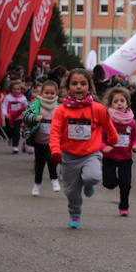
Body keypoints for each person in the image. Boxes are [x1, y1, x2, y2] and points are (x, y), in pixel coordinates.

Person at [49, 68, 119, 229]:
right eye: (74, 84)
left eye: (83, 83)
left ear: (89, 87)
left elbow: (108, 126)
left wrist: (113, 141)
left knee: (92, 177)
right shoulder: (61, 110)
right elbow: (54, 132)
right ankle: (75, 213)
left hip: (91, 154)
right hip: (68, 156)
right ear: (67, 88)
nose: (79, 87)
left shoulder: (98, 108)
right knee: (71, 192)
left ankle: (88, 184)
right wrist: (55, 150)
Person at [101, 86, 136, 216]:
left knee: (126, 184)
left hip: (126, 158)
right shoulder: (107, 121)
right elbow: (100, 139)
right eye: (115, 101)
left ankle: (124, 206)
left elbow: (135, 139)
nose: (119, 103)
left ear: (127, 103)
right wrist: (103, 147)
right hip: (109, 158)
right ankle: (113, 181)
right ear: (110, 104)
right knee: (109, 184)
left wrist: (135, 146)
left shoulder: (132, 122)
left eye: (122, 100)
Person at [21, 80, 61, 195]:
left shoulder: (59, 107)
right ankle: (37, 185)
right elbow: (25, 115)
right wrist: (34, 118)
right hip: (39, 140)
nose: (49, 95)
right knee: (39, 164)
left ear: (56, 93)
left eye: (52, 93)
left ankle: (54, 180)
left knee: (51, 160)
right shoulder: (35, 105)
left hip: (53, 141)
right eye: (47, 93)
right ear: (41, 93)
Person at [0, 80, 28, 154]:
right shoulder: (8, 97)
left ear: (20, 90)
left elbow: (26, 107)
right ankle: (10, 138)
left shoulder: (23, 98)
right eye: (14, 89)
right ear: (11, 89)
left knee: (16, 131)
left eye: (18, 89)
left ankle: (15, 146)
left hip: (18, 117)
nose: (16, 91)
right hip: (9, 117)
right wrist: (5, 114)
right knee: (9, 130)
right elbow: (4, 106)